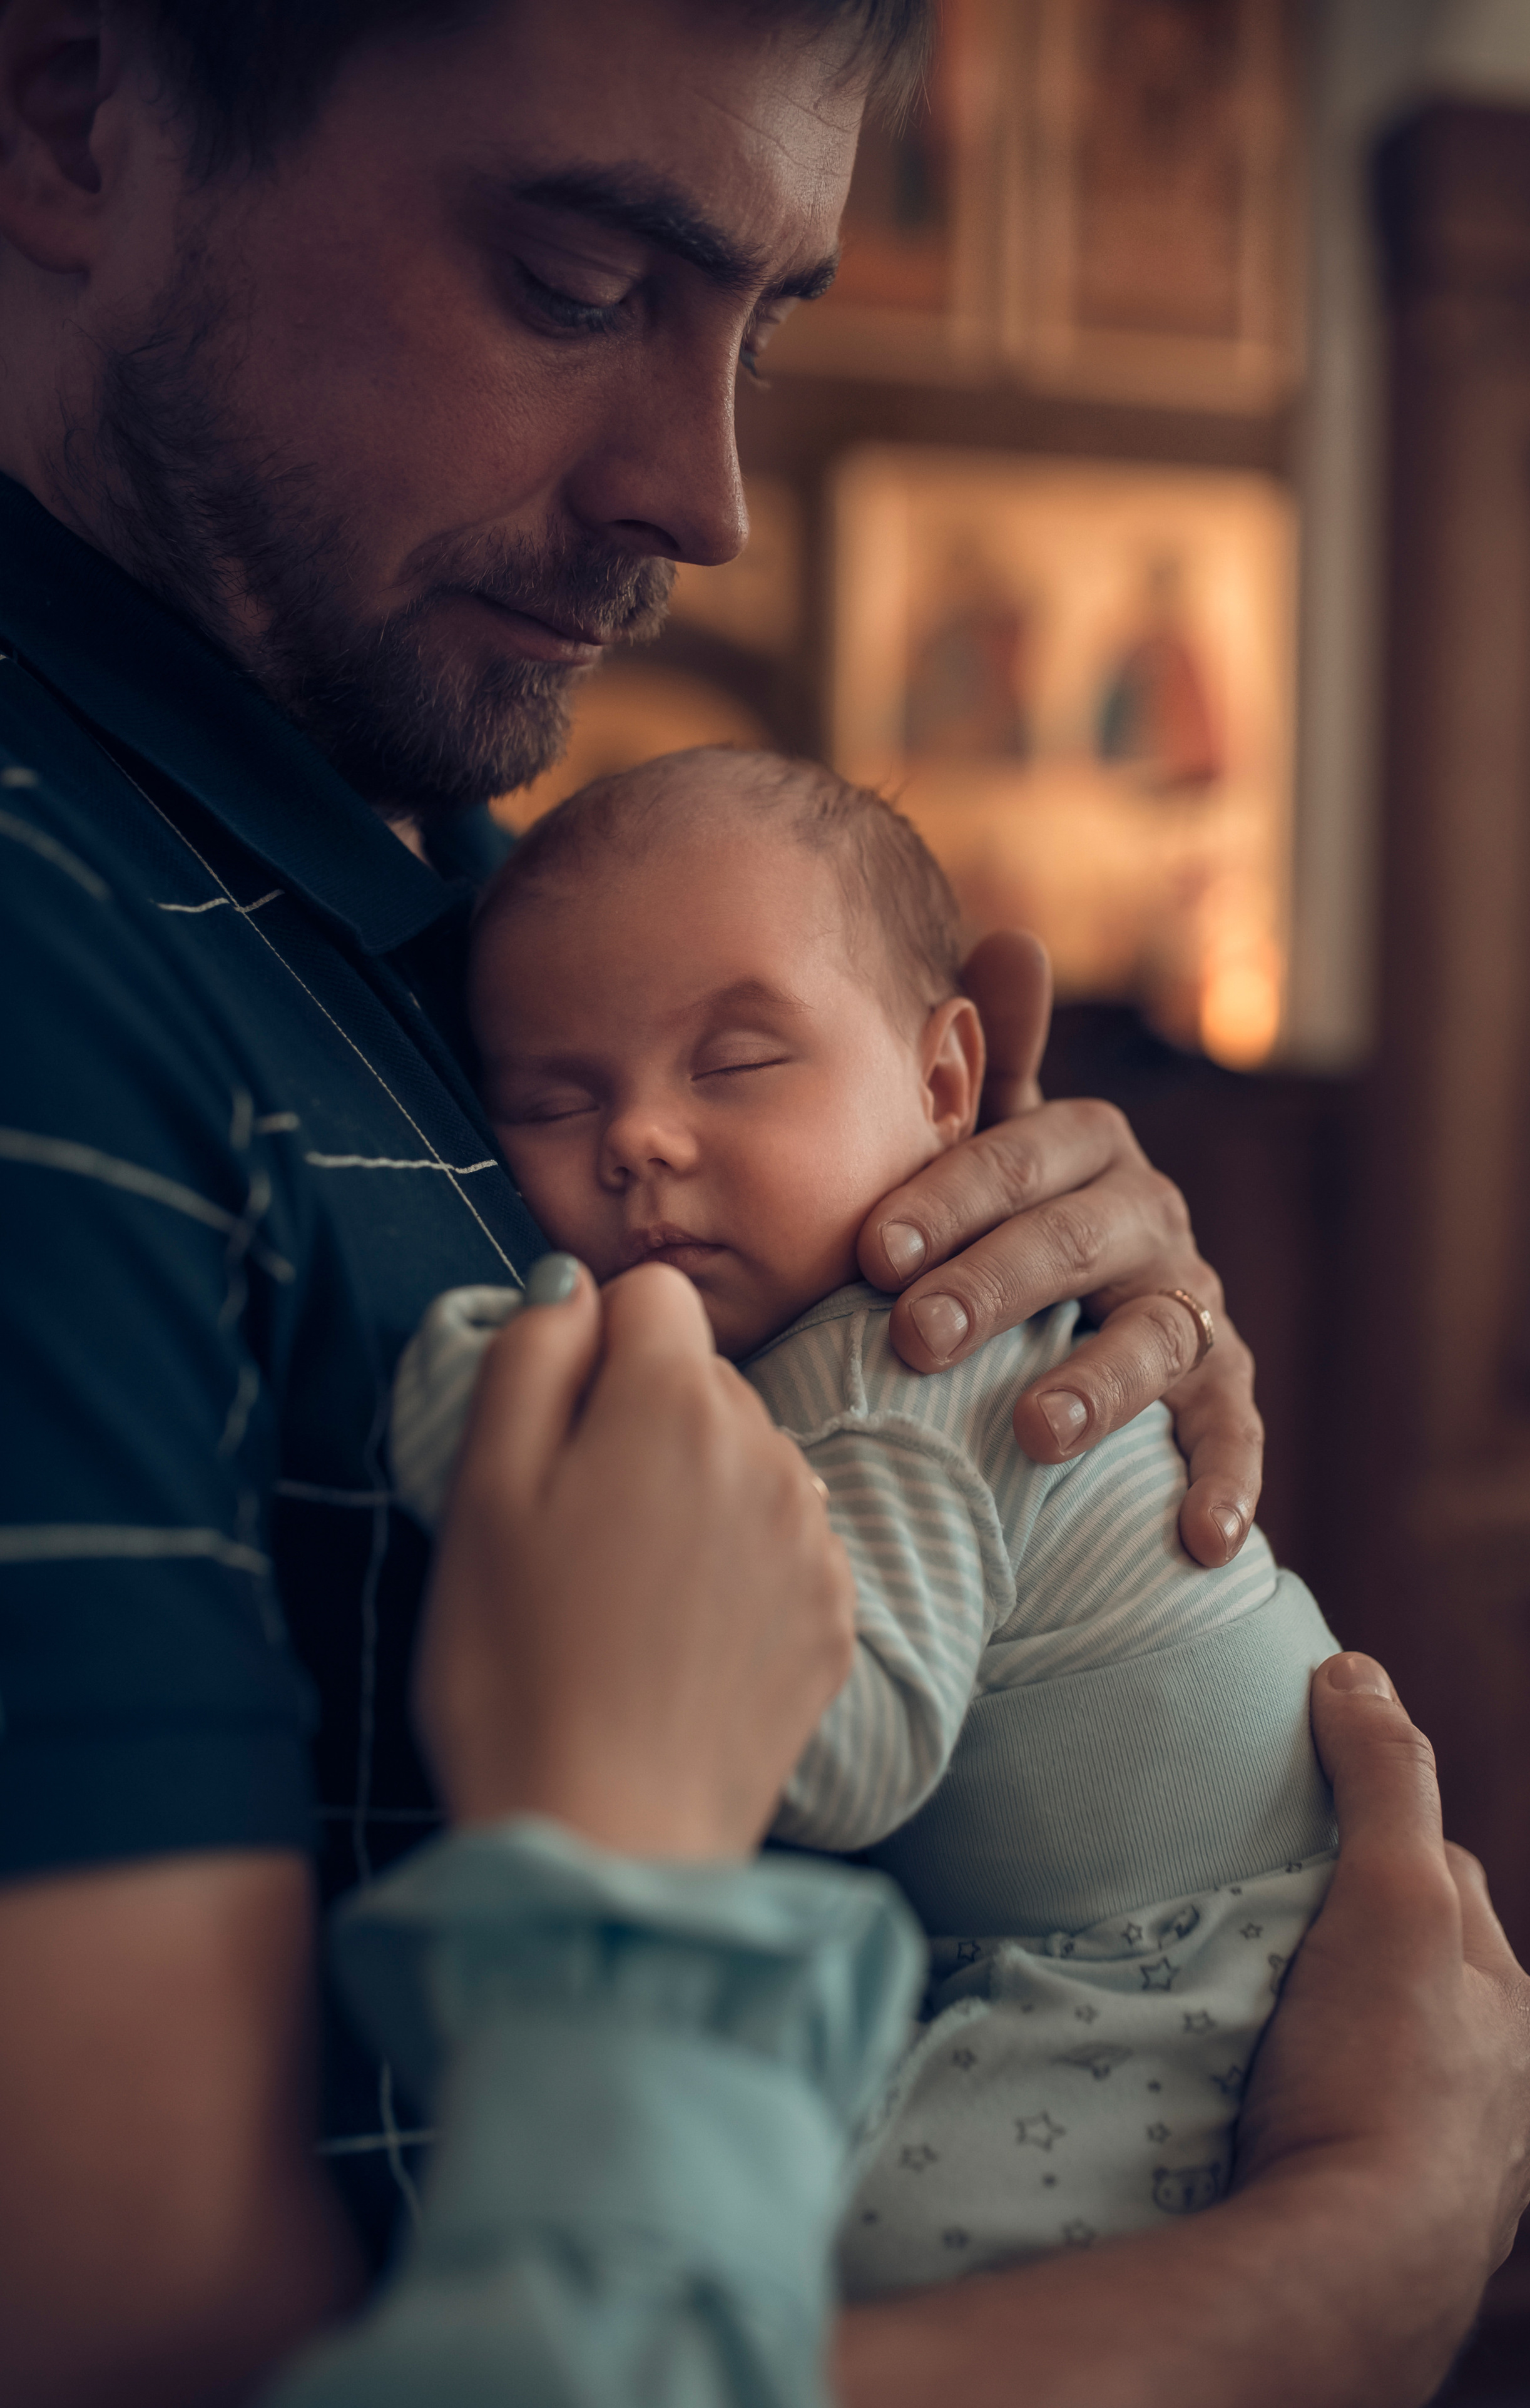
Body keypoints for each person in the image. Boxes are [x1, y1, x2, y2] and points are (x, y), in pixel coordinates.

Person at [0, 4, 1530, 2405]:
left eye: (765, 320)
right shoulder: (49, 940)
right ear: (78, 118)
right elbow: (151, 2355)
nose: (706, 491)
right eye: (580, 280)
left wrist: (1009, 1304)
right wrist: (1347, 2260)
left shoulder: (461, 906)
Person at [388, 747, 1345, 2294]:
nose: (636, 1138)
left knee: (828, 2267)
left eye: (736, 1063)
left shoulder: (898, 1360)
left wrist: (491, 1413)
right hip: (1167, 1938)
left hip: (1166, 1984)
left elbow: (855, 1745)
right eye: (556, 1100)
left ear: (947, 1081)